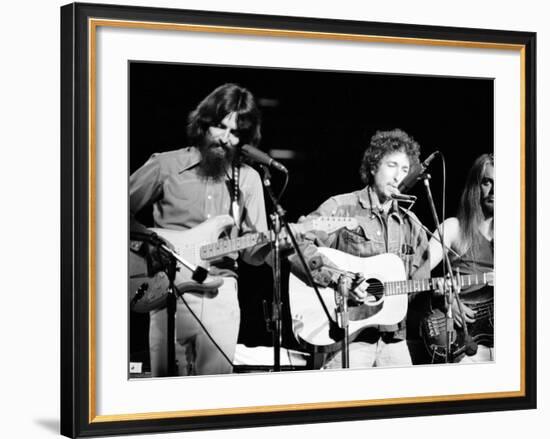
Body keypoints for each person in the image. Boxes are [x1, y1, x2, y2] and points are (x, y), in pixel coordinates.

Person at [129, 83, 269, 376]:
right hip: (168, 291)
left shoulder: (248, 179)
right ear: (204, 122)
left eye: (235, 133)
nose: (225, 139)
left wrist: (273, 245)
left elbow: (253, 255)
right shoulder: (165, 165)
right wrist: (145, 244)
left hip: (222, 291)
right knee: (166, 389)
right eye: (220, 127)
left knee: (215, 392)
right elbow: (104, 212)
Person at [288, 129, 430, 369]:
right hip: (347, 337)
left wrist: (441, 290)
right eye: (392, 166)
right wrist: (339, 279)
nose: (398, 177)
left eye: (405, 170)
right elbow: (296, 244)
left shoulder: (412, 223)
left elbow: (415, 283)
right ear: (374, 166)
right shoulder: (342, 206)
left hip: (393, 337)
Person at [428, 153, 494, 362]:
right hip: (461, 337)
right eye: (487, 182)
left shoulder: (520, 236)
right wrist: (448, 300)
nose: (494, 191)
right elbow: (414, 277)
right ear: (475, 187)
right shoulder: (453, 228)